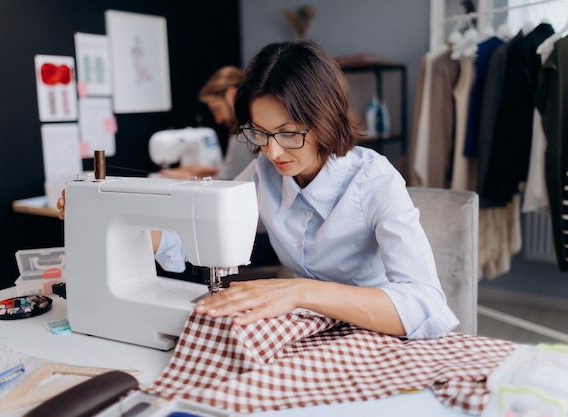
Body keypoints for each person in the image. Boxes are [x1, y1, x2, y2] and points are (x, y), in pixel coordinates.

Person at [59, 40, 458, 340]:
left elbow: (424, 302)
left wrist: (301, 292)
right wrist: (109, 221)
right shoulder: (262, 173)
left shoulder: (375, 181)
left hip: (378, 333)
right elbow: (188, 242)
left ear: (326, 118)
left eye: (288, 134)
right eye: (261, 133)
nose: (273, 151)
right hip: (310, 331)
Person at [159, 66, 256, 180]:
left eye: (217, 109)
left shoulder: (243, 132)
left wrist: (188, 177)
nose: (218, 119)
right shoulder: (253, 124)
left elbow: (225, 181)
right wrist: (206, 170)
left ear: (232, 94)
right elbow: (238, 169)